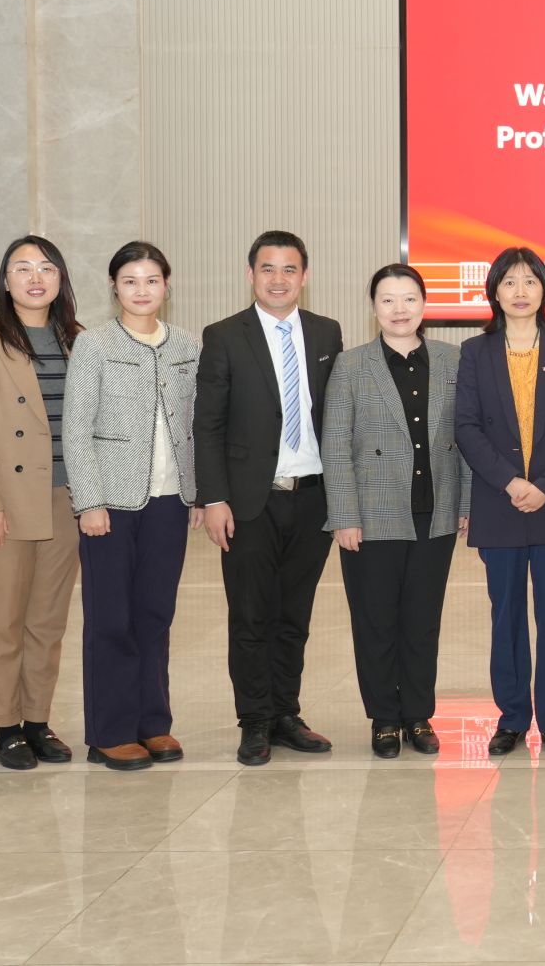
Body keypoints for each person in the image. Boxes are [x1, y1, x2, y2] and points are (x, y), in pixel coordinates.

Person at [194, 230, 345, 766]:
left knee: (294, 616)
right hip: (248, 502)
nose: (278, 279)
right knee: (251, 616)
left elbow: (335, 415)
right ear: (250, 274)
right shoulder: (223, 335)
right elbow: (207, 425)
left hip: (313, 498)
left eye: (288, 269)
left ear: (305, 276)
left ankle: (285, 713)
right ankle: (255, 719)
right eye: (267, 268)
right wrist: (214, 498)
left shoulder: (327, 332)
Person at [62, 242, 201, 770]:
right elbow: (76, 429)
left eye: (151, 280)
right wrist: (89, 501)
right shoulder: (94, 345)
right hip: (111, 505)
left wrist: (196, 493)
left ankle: (152, 723)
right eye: (130, 281)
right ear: (114, 286)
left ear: (167, 284)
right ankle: (110, 731)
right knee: (111, 618)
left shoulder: (186, 345)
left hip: (170, 501)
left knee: (155, 614)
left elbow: (196, 424)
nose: (142, 290)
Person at [0, 235, 86, 770]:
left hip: (65, 498)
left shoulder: (78, 339)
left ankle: (36, 720)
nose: (35, 277)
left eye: (46, 268)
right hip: (5, 500)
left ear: (60, 279)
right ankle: (3, 725)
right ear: (6, 281)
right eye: (22, 268)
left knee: (47, 621)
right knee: (3, 619)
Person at [321, 264, 468, 758]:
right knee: (376, 621)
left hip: (435, 512)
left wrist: (467, 503)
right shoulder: (351, 365)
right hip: (371, 513)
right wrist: (344, 515)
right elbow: (335, 444)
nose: (399, 309)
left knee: (423, 621)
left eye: (409, 299)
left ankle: (418, 715)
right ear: (373, 307)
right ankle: (384, 717)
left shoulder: (451, 360)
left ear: (424, 305)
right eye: (387, 300)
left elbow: (466, 437)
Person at [455, 247, 545, 760]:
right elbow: (466, 426)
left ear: (543, 290)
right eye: (509, 281)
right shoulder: (475, 352)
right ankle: (512, 718)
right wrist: (511, 482)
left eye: (529, 281)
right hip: (499, 503)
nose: (519, 291)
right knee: (506, 616)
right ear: (494, 290)